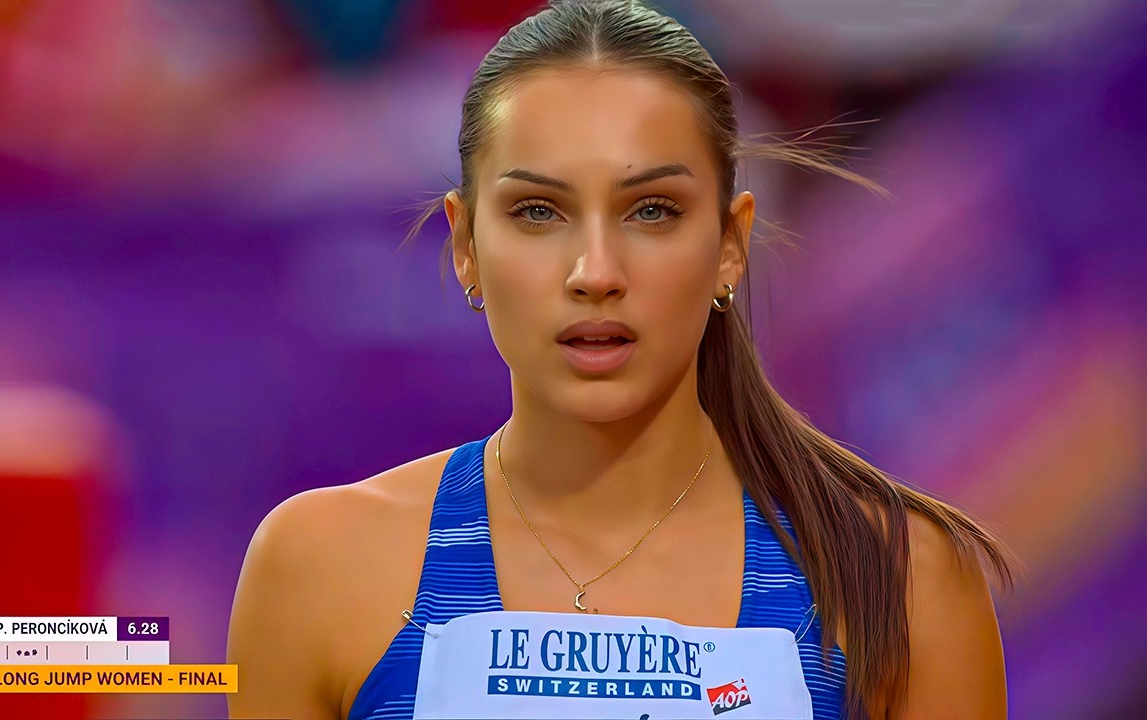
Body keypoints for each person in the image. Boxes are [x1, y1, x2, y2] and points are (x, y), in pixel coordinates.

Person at [227, 1, 1012, 718]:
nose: (595, 271)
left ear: (730, 247)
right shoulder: (319, 566)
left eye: (652, 211)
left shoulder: (902, 579)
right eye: (539, 212)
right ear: (465, 246)